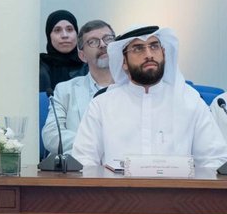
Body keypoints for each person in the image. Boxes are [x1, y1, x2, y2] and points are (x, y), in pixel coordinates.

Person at [70, 25, 227, 171]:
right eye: (138, 48)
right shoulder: (102, 105)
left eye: (154, 46)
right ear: (124, 62)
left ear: (163, 53)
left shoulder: (190, 101)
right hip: (118, 192)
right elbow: (83, 161)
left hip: (180, 192)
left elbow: (214, 160)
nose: (149, 55)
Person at [40, 19, 115, 156]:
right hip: (78, 164)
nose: (103, 45)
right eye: (93, 42)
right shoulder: (65, 90)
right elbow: (51, 135)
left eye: (108, 39)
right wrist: (95, 143)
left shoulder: (133, 87)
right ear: (82, 55)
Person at [39, 9, 86, 94]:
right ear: (49, 36)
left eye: (69, 29)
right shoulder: (39, 66)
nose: (65, 35)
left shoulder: (89, 66)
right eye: (57, 30)